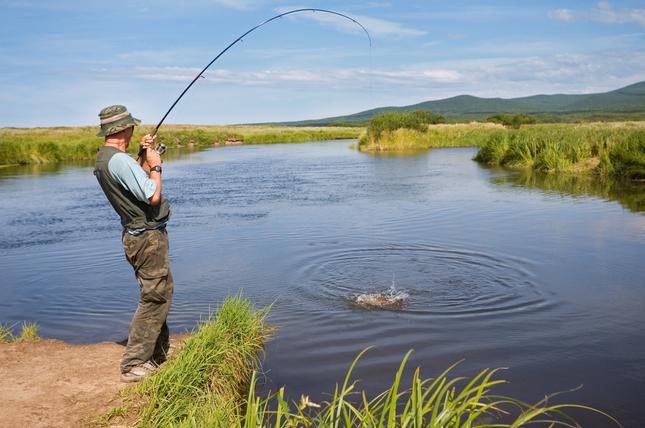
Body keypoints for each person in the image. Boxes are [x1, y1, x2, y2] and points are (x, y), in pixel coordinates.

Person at [94, 105, 173, 383]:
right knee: (154, 296)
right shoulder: (119, 161)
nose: (134, 129)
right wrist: (156, 164)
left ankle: (158, 350)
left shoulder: (108, 158)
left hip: (138, 236)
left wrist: (141, 155)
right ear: (122, 129)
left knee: (161, 290)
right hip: (146, 238)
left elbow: (133, 182)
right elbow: (151, 194)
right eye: (131, 126)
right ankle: (134, 363)